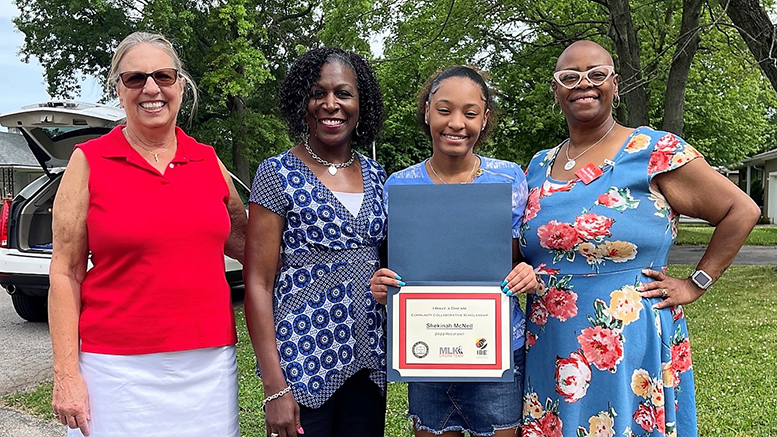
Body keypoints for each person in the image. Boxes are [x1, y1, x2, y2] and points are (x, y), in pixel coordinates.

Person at [519, 40, 760, 437]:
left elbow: (741, 210)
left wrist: (696, 283)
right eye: (570, 77)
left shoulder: (653, 150)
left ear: (615, 83)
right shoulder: (540, 163)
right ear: (556, 89)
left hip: (631, 336)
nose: (584, 84)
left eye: (597, 75)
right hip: (549, 338)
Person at [48, 31, 247, 437]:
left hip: (207, 368)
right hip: (114, 371)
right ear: (118, 90)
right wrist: (66, 374)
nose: (151, 88)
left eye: (164, 76)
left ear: (181, 86)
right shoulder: (88, 162)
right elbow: (65, 273)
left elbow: (254, 249)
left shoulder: (208, 161)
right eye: (135, 78)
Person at [369, 66, 538, 437]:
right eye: (444, 110)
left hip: (496, 350)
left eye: (470, 112)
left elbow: (518, 255)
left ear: (485, 118)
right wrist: (383, 284)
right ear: (427, 111)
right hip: (426, 349)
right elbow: (395, 265)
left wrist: (526, 272)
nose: (456, 123)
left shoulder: (509, 178)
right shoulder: (399, 185)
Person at [244, 47, 387, 437]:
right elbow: (258, 283)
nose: (330, 104)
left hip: (369, 361)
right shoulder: (276, 174)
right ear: (300, 102)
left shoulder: (377, 175)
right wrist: (275, 389)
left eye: (343, 93)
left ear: (362, 103)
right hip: (303, 363)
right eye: (317, 93)